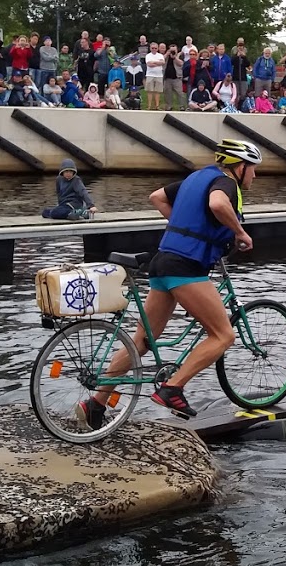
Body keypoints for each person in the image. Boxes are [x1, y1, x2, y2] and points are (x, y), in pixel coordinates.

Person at [79, 140, 262, 428]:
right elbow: (217, 203)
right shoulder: (226, 183)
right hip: (186, 267)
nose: (254, 176)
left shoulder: (195, 178)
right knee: (223, 336)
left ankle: (96, 404)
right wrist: (240, 232)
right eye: (253, 169)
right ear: (239, 167)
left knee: (140, 341)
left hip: (162, 261)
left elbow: (156, 197)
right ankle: (172, 389)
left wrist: (188, 229)